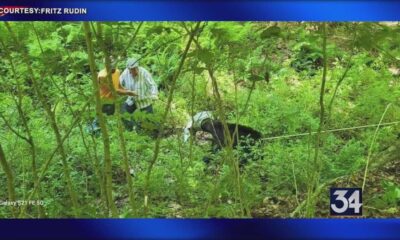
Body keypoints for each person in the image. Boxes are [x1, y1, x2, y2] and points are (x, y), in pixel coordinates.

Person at [89, 61, 137, 135]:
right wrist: (128, 92)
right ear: (106, 65)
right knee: (101, 119)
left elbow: (119, 85)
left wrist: (126, 90)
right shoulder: (102, 76)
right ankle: (93, 131)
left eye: (114, 63)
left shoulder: (117, 72)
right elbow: (113, 90)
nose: (113, 65)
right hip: (105, 100)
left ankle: (131, 130)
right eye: (110, 63)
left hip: (116, 99)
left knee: (124, 114)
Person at [119, 57, 159, 132]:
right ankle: (132, 130)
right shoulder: (125, 73)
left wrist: (154, 94)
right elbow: (119, 84)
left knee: (150, 121)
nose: (135, 71)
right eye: (132, 69)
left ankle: (158, 134)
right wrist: (125, 91)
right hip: (132, 100)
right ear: (129, 69)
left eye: (135, 68)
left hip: (144, 101)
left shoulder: (144, 72)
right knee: (123, 113)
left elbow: (153, 85)